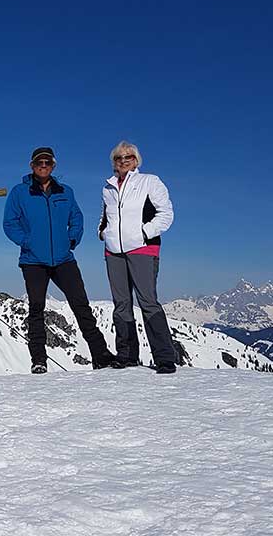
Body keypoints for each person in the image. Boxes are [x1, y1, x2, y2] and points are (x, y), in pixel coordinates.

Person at [3, 147, 122, 374]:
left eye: (48, 163)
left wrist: (72, 239)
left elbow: (76, 217)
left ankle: (101, 355)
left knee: (81, 305)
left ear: (53, 166)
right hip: (33, 260)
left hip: (64, 258)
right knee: (36, 309)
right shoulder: (20, 192)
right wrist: (27, 241)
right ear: (32, 166)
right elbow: (10, 223)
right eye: (39, 163)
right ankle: (39, 360)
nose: (44, 166)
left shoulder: (66, 192)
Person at [99, 141, 177, 374]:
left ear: (136, 160)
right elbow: (104, 216)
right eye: (118, 158)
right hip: (114, 251)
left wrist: (145, 232)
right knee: (121, 304)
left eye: (128, 157)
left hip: (143, 249)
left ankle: (164, 358)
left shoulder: (149, 181)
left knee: (148, 302)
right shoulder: (108, 187)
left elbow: (166, 213)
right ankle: (126, 355)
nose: (123, 161)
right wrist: (103, 232)